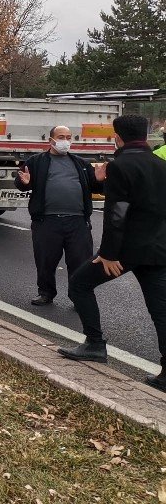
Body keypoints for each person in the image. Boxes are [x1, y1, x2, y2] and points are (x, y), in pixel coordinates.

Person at [57, 114, 166, 392]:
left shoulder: (120, 166)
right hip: (158, 249)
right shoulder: (161, 165)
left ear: (117, 137)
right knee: (160, 310)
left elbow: (116, 215)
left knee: (80, 284)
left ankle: (94, 344)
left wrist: (108, 254)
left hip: (126, 251)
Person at [15, 125, 106, 306]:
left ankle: (77, 296)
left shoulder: (80, 163)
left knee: (80, 262)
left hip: (78, 222)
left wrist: (99, 180)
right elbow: (22, 181)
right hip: (47, 221)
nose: (65, 141)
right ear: (51, 140)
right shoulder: (36, 161)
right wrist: (23, 183)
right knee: (45, 261)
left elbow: (95, 188)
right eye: (61, 137)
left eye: (68, 137)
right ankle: (46, 293)